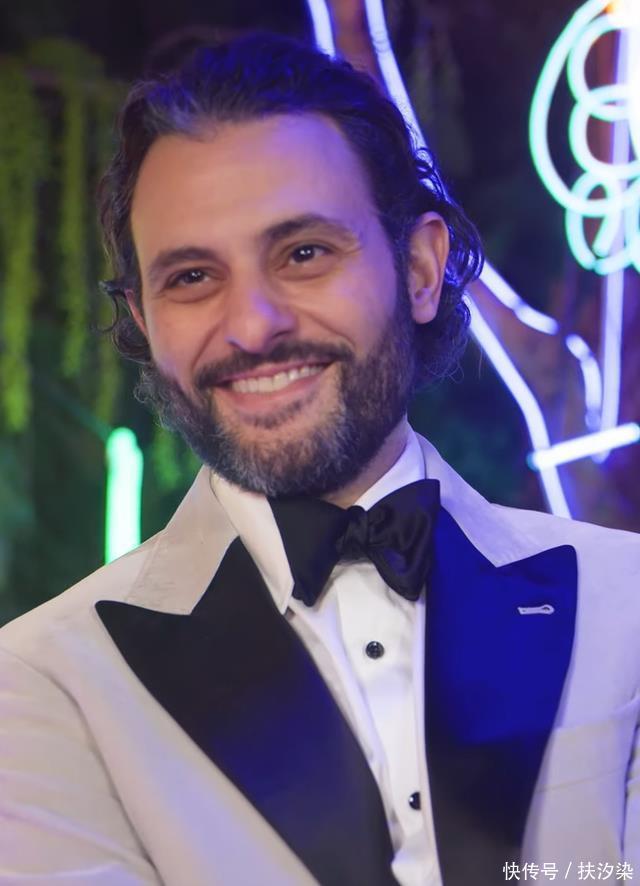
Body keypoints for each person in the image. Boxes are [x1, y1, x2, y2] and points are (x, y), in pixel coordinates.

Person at [0, 32, 638, 886]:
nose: (252, 326)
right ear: (146, 323)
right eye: (191, 278)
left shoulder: (627, 604)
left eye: (303, 254)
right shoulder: (42, 681)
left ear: (420, 269)